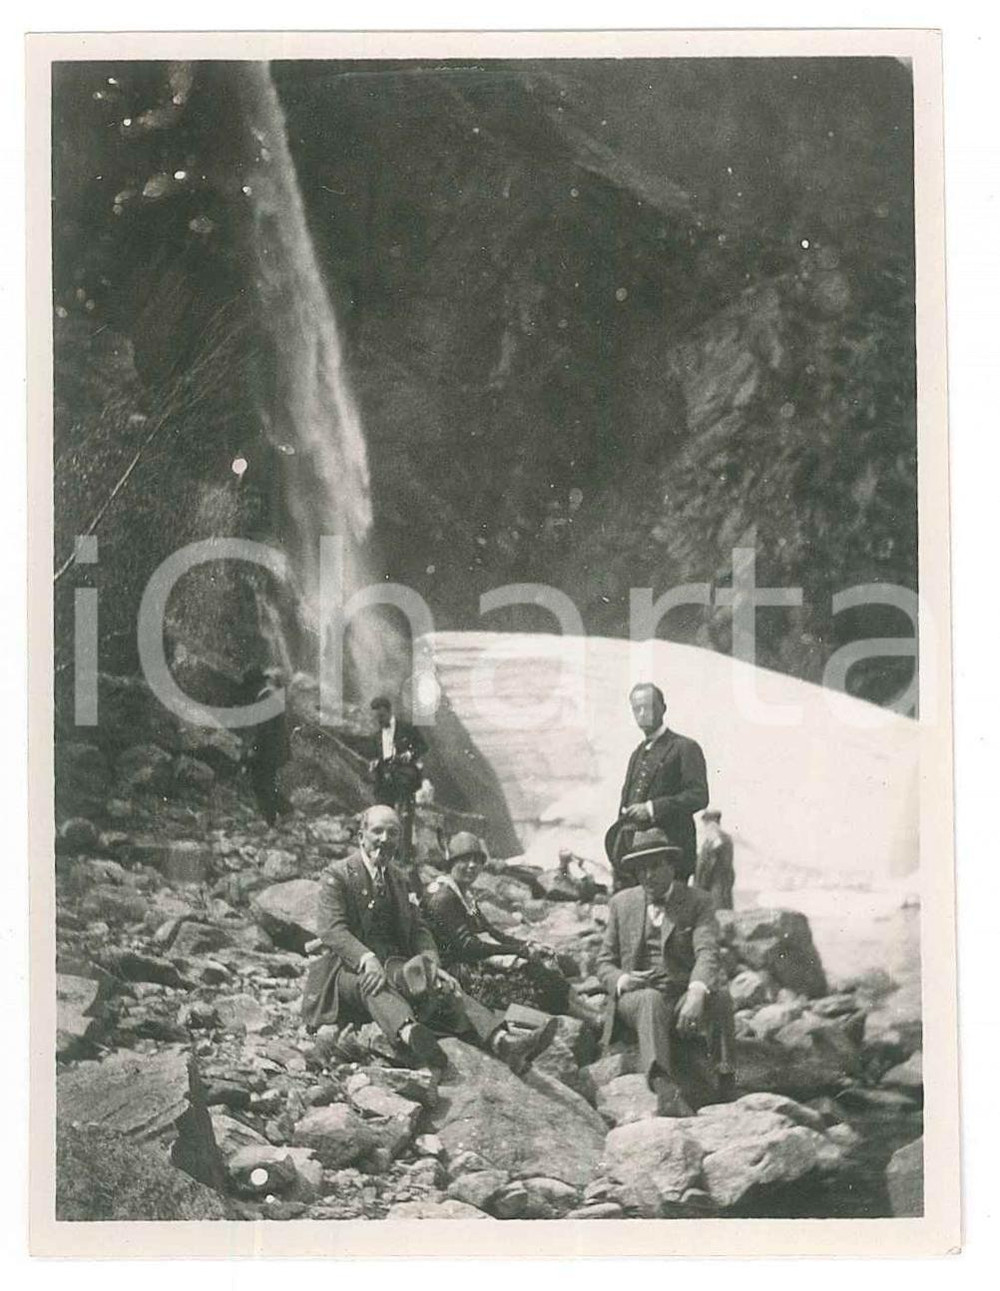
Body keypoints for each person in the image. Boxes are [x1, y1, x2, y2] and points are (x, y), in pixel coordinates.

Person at [300, 806, 558, 1076]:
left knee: (443, 986)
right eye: (377, 831)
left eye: (393, 833)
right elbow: (332, 930)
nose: (385, 839)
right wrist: (367, 959)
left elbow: (419, 928)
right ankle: (410, 1034)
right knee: (372, 982)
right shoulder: (338, 875)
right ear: (361, 836)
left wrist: (432, 962)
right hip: (342, 970)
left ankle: (505, 1044)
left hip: (393, 964)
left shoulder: (398, 878)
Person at [596, 828, 735, 1115]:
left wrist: (696, 992)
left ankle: (725, 1078)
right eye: (641, 869)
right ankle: (663, 1087)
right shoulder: (622, 903)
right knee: (650, 1000)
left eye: (656, 866)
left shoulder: (698, 901)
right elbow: (604, 963)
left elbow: (707, 952)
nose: (648, 875)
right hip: (638, 998)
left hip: (681, 995)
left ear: (672, 866)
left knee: (719, 997)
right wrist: (623, 979)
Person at [422, 831, 581, 1016]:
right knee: (534, 972)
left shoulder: (465, 895)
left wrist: (527, 945)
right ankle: (589, 1018)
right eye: (465, 860)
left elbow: (490, 931)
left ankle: (587, 1010)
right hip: (457, 972)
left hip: (474, 959)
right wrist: (517, 952)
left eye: (477, 860)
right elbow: (466, 945)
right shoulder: (443, 897)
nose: (472, 866)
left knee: (553, 961)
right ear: (451, 863)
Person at [605, 682, 709, 891]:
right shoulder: (637, 753)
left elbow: (699, 796)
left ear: (663, 707)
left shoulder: (684, 747)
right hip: (637, 857)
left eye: (648, 707)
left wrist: (652, 808)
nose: (642, 714)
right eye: (637, 709)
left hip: (670, 856)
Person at [368, 697, 428, 865]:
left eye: (381, 716)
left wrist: (409, 755)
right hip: (384, 778)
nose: (379, 721)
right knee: (382, 815)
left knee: (404, 815)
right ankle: (385, 854)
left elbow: (423, 746)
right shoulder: (377, 735)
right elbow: (376, 755)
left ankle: (404, 855)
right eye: (376, 718)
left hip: (403, 777)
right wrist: (374, 763)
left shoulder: (406, 728)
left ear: (388, 711)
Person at [240, 664, 292, 826]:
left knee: (262, 784)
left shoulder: (266, 698)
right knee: (265, 784)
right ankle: (280, 814)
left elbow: (263, 730)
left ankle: (275, 817)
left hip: (267, 752)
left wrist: (253, 750)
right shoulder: (272, 697)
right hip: (272, 750)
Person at [695, 809, 735, 911]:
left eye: (707, 823)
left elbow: (709, 864)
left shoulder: (718, 840)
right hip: (714, 889)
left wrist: (701, 884)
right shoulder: (712, 841)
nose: (705, 827)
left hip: (716, 889)